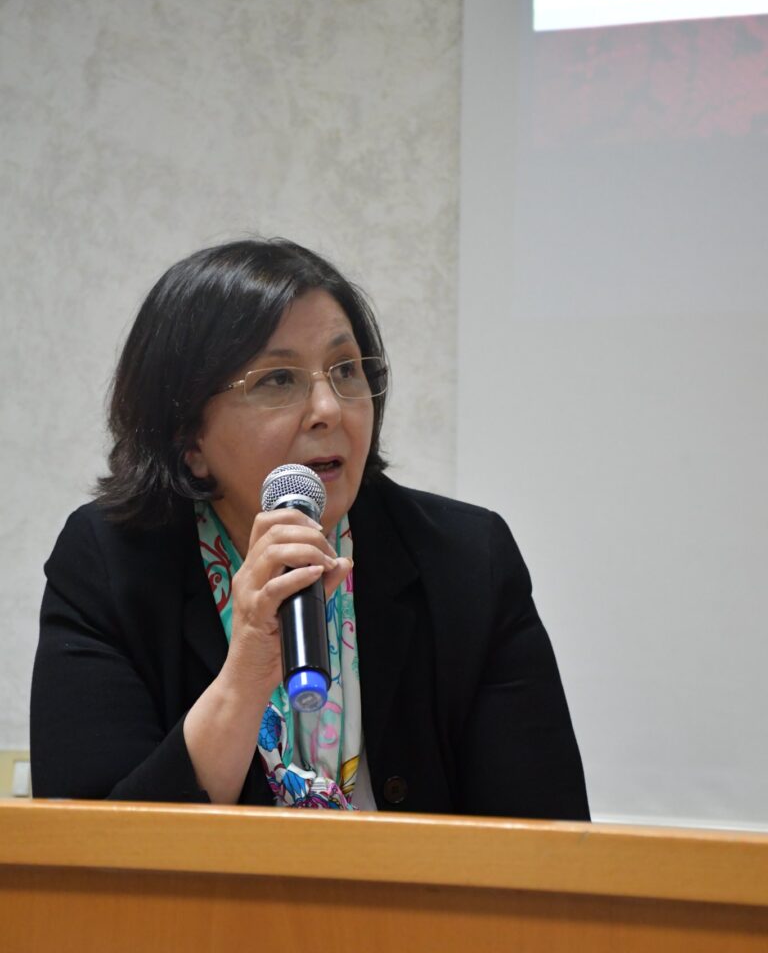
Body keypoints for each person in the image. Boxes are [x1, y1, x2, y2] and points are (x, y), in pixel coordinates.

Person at [30, 238, 590, 818]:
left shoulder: (468, 561)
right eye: (278, 379)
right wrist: (246, 675)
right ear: (188, 438)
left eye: (346, 370)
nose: (329, 408)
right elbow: (87, 849)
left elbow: (546, 844)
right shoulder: (109, 564)